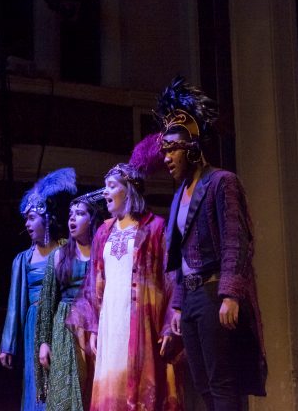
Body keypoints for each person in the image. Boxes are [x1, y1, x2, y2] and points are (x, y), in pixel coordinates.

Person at [156, 76, 267, 411]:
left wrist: (231, 294)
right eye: (164, 150)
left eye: (172, 148)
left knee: (222, 383)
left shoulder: (222, 182)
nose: (166, 157)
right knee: (202, 383)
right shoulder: (177, 197)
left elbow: (237, 239)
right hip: (190, 296)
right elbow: (179, 256)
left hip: (213, 290)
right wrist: (177, 303)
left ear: (192, 147)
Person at [66, 135, 181, 411]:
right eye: (105, 187)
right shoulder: (103, 232)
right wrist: (93, 326)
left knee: (142, 389)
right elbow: (94, 282)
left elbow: (171, 278)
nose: (105, 193)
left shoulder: (155, 228)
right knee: (110, 387)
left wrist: (168, 323)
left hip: (142, 322)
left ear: (128, 190)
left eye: (111, 186)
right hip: (110, 323)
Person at [0, 168, 78, 411]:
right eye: (26, 219)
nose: (27, 224)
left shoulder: (65, 251)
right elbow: (14, 305)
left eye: (31, 218)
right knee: (35, 383)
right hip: (34, 324)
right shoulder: (22, 260)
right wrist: (8, 344)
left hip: (61, 321)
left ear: (46, 219)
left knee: (62, 380)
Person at [34, 195, 103, 411]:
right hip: (65, 330)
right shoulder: (59, 256)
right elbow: (47, 304)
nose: (72, 219)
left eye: (80, 214)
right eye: (70, 215)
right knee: (65, 392)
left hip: (96, 326)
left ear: (92, 220)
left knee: (94, 391)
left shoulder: (102, 254)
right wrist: (44, 342)